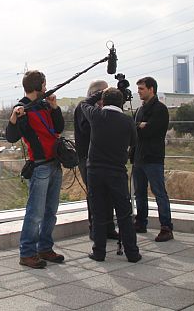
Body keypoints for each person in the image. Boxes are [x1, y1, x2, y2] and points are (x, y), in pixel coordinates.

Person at [5, 70, 65, 268]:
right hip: (39, 166)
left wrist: (55, 108)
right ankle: (27, 253)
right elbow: (11, 136)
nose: (46, 88)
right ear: (38, 86)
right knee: (35, 212)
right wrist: (14, 117)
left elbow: (58, 128)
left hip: (55, 163)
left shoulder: (45, 104)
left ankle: (45, 248)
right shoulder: (22, 108)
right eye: (45, 85)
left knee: (51, 211)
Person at [79, 87, 141, 262]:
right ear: (121, 102)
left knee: (98, 212)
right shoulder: (128, 121)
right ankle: (132, 253)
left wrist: (100, 93)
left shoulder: (97, 116)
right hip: (117, 171)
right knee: (124, 213)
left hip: (95, 171)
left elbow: (84, 103)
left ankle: (99, 252)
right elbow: (133, 142)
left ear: (103, 101)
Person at [74, 79, 118, 241]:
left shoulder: (101, 110)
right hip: (87, 157)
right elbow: (87, 129)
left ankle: (109, 228)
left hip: (102, 158)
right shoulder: (83, 108)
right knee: (94, 195)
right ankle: (95, 229)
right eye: (104, 93)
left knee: (108, 194)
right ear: (97, 94)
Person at [131, 76, 173, 242]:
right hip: (139, 158)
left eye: (141, 89)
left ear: (151, 89)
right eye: (138, 89)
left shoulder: (160, 109)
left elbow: (150, 131)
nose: (139, 92)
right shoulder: (140, 110)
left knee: (159, 193)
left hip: (153, 158)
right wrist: (139, 125)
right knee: (139, 193)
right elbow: (136, 131)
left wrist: (141, 127)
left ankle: (166, 227)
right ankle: (141, 222)